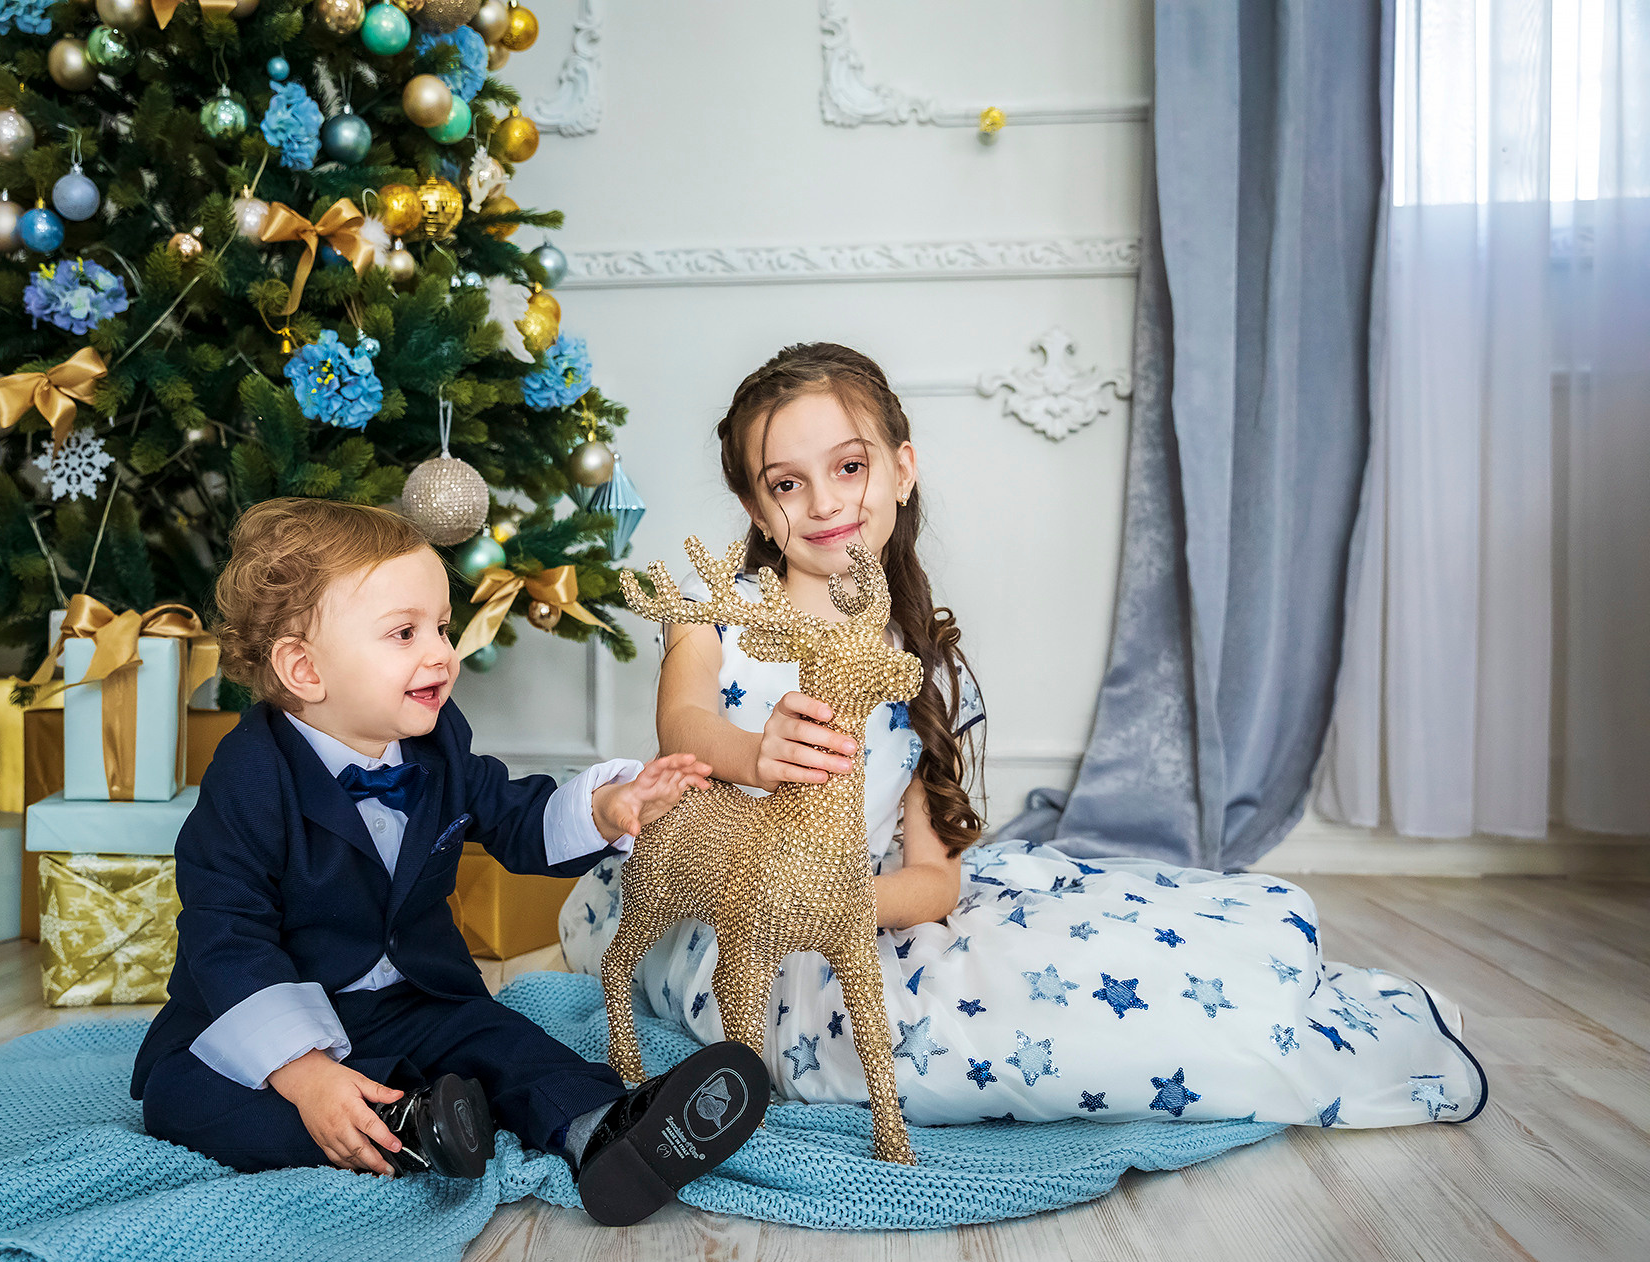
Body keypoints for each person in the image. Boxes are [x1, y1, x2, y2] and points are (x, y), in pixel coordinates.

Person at [561, 342, 1486, 1129]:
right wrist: (753, 753)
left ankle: (1272, 999)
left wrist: (849, 903)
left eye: (850, 467)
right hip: (741, 937)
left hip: (855, 912)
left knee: (1091, 946)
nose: (826, 502)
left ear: (900, 470)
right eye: (786, 484)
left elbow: (933, 878)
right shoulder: (713, 622)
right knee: (999, 1033)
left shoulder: (909, 661)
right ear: (760, 511)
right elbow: (685, 723)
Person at [133, 498, 768, 1227]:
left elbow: (512, 815)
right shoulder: (248, 775)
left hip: (413, 1001)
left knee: (503, 1040)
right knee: (183, 1096)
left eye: (441, 626)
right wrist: (306, 1074)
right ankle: (408, 1131)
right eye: (404, 633)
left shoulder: (437, 745)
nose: (442, 652)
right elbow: (227, 934)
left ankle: (607, 1126)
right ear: (304, 667)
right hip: (276, 1004)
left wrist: (604, 808)